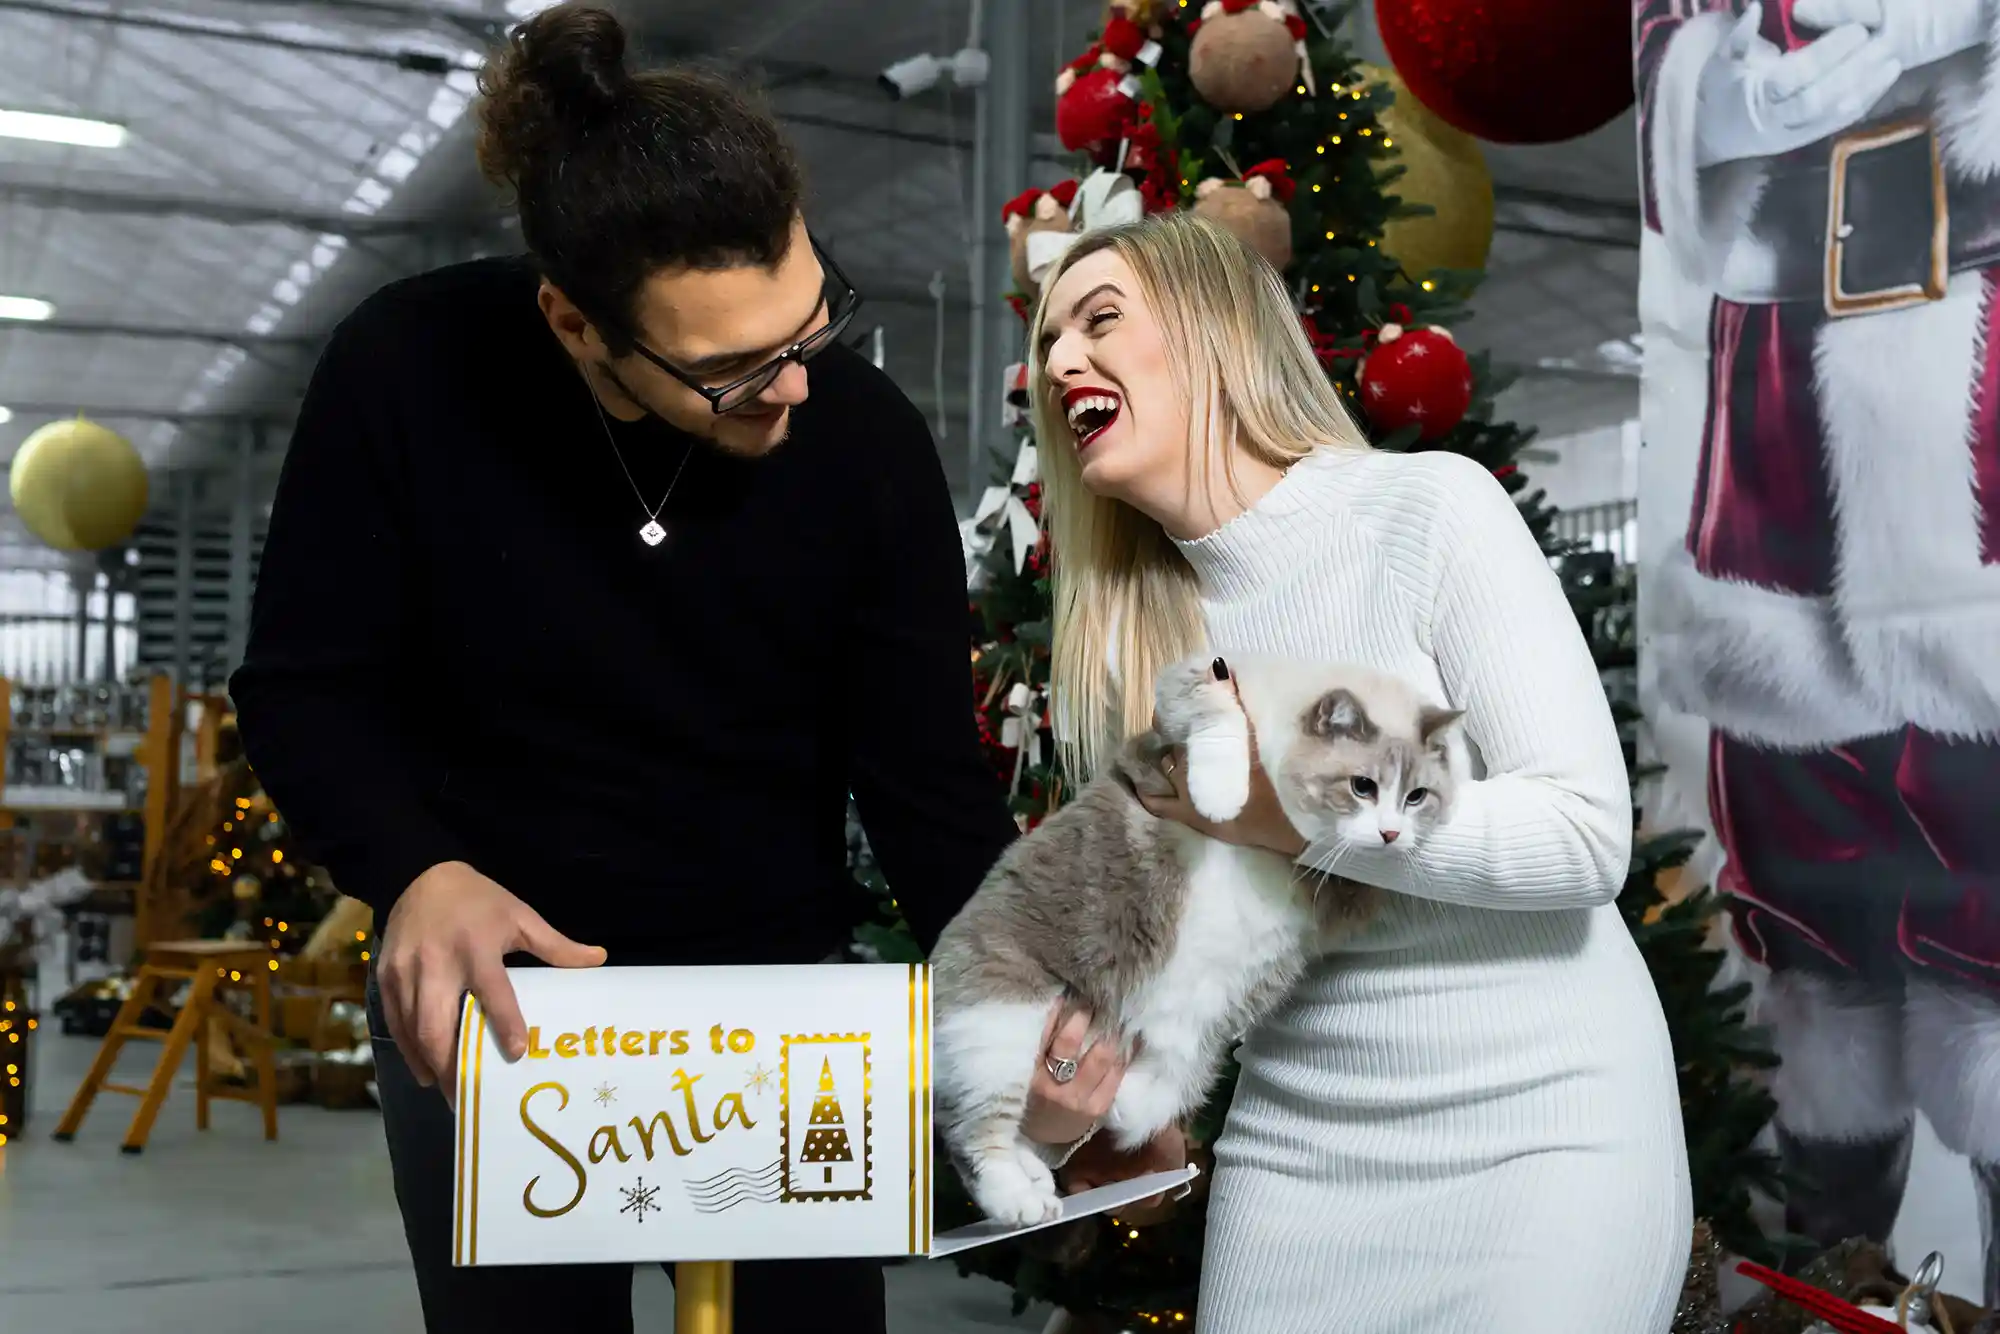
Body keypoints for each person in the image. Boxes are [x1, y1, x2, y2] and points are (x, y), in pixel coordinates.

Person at [228, 7, 1048, 1330]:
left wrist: (1027, 992)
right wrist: (414, 870)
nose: (793, 388)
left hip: (775, 1007)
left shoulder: (864, 440)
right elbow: (304, 686)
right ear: (574, 321)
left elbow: (925, 785)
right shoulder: (408, 368)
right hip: (498, 1001)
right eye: (729, 371)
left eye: (810, 322)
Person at [1018, 211, 1692, 1331]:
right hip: (1299, 1155)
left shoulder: (1425, 512)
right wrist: (1101, 1103)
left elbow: (1584, 835)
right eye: (1047, 342)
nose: (1057, 363)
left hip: (1548, 1133)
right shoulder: (1132, 647)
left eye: (1098, 320)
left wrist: (1293, 813)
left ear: (1216, 333)